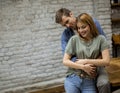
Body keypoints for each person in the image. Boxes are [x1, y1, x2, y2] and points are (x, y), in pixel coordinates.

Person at [55, 8, 111, 93]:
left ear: (71, 14)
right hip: (78, 69)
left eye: (67, 22)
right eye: (64, 25)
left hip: (97, 63)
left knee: (103, 83)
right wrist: (83, 66)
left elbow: (103, 49)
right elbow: (67, 58)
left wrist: (90, 65)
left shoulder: (94, 23)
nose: (67, 26)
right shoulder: (67, 36)